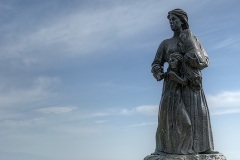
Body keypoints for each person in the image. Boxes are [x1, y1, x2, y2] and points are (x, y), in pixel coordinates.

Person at [151, 8, 216, 155]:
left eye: (174, 19)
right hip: (173, 84)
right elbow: (156, 63)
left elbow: (205, 60)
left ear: (182, 21)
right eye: (170, 20)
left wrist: (190, 59)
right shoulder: (165, 43)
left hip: (192, 84)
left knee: (200, 113)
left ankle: (204, 147)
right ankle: (170, 149)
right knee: (175, 120)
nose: (171, 23)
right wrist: (159, 73)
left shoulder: (194, 39)